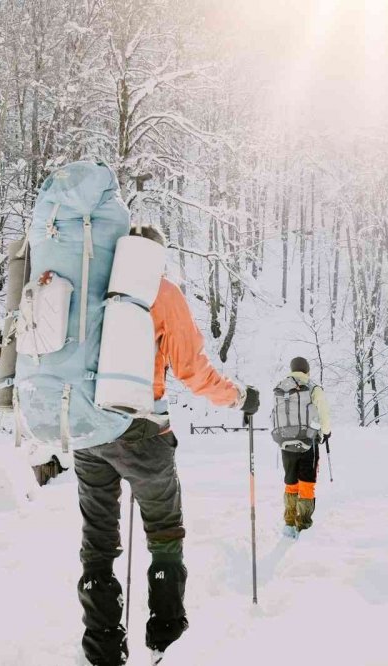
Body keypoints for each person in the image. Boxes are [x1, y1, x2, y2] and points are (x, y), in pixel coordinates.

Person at [74, 226, 259, 666]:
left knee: (97, 541)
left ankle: (100, 649)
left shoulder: (87, 280)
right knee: (164, 534)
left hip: (86, 430)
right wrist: (236, 397)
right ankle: (166, 642)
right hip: (142, 432)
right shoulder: (159, 291)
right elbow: (191, 370)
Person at [278, 357, 331, 537]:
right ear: (307, 370)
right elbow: (323, 410)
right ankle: (304, 525)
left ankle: (289, 523)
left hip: (286, 442)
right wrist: (326, 431)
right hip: (309, 442)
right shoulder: (313, 387)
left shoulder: (282, 387)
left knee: (290, 482)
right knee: (306, 483)